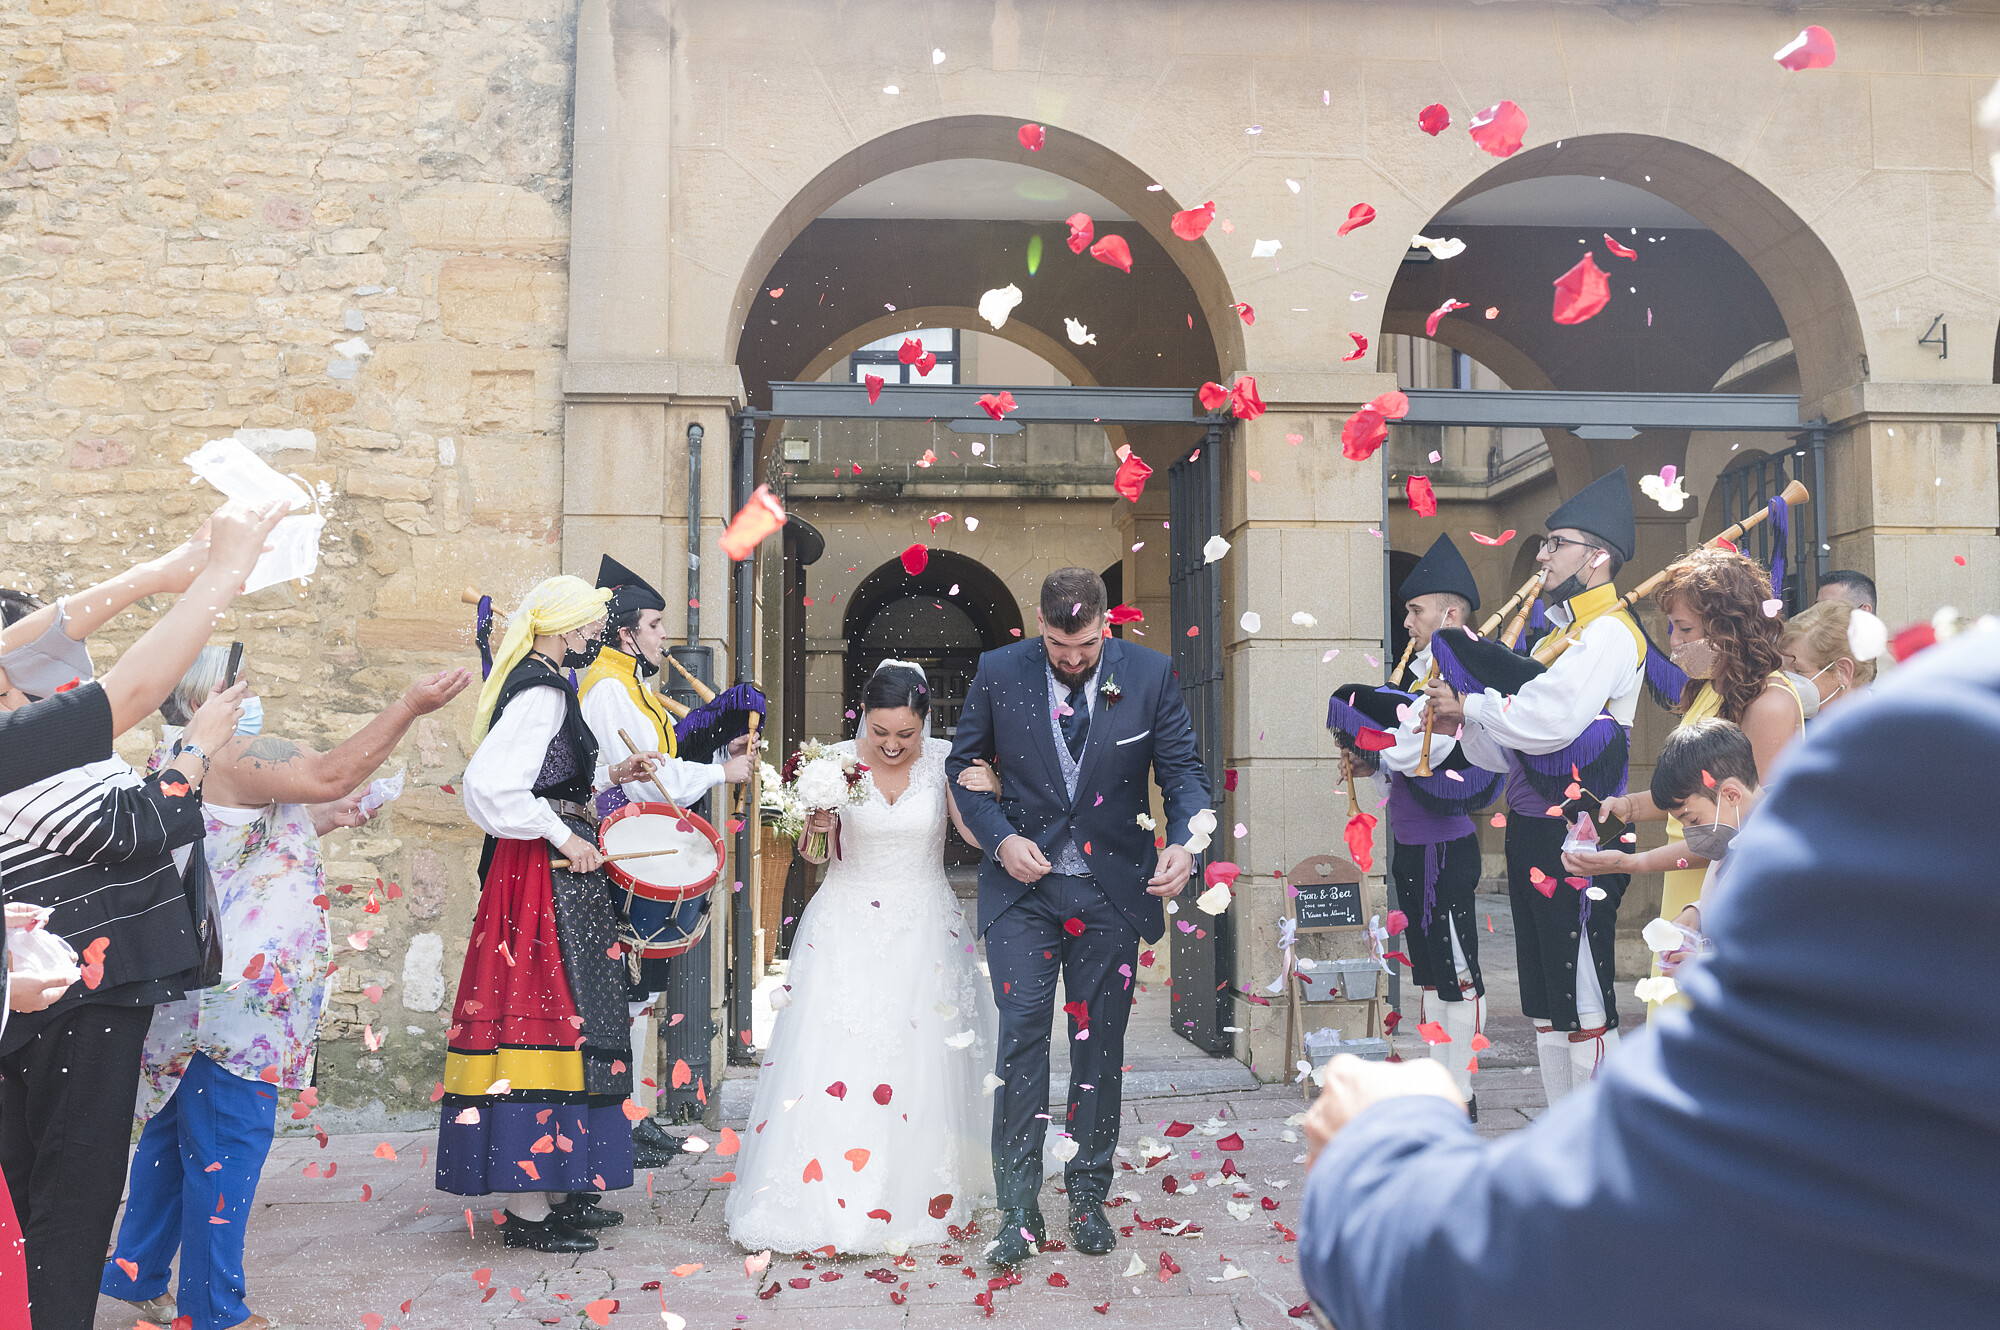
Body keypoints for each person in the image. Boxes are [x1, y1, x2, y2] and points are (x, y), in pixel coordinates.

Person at [1295, 621, 2000, 1330]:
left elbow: (1527, 1262)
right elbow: (1711, 848)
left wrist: (1376, 1141)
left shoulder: (1927, 745)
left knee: (1574, 1003)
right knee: (1546, 1004)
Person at [100, 647, 471, 1330]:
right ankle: (214, 1312)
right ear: (213, 696)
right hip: (235, 1010)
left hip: (199, 1002)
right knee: (226, 1152)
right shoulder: (234, 756)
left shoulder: (180, 757)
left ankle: (135, 1272)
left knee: (172, 1143)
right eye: (243, 684)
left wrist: (329, 818)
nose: (252, 695)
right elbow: (329, 774)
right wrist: (409, 708)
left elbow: (236, 841)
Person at [0, 499, 284, 1330]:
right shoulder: (17, 749)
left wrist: (162, 573)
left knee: (35, 1196)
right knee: (70, 1199)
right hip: (66, 1003)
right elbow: (135, 689)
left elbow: (40, 638)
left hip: (47, 994)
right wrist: (225, 571)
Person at [946, 567, 1210, 1267]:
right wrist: (999, 835)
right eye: (1060, 645)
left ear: (1105, 626)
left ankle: (1088, 1195)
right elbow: (962, 764)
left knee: (1099, 1049)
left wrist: (1185, 841)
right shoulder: (999, 671)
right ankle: (1018, 1207)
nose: (1071, 658)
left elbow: (1183, 771)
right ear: (1040, 623)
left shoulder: (1151, 676)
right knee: (1022, 1041)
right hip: (1022, 896)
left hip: (1111, 894)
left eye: (1086, 646)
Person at [725, 661, 998, 1254]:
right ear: (863, 721)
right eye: (880, 733)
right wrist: (818, 822)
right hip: (846, 926)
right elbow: (814, 854)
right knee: (839, 1055)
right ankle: (829, 1194)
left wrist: (994, 796)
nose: (894, 746)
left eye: (906, 733)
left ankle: (914, 1185)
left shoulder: (944, 761)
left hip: (925, 923)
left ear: (924, 723)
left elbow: (975, 838)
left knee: (920, 1057)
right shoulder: (833, 764)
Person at [434, 575, 660, 1253]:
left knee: (575, 1018)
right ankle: (529, 1208)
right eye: (591, 624)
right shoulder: (539, 689)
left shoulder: (546, 683)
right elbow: (492, 785)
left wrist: (609, 783)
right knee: (544, 1013)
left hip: (557, 875)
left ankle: (558, 1190)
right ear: (563, 629)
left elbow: (548, 779)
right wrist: (566, 838)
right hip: (543, 878)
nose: (597, 633)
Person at [1424, 467, 1645, 1102]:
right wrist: (1461, 713)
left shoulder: (1608, 632)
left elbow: (1550, 721)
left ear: (1597, 558)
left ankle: (1597, 1143)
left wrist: (1474, 707)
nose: (1543, 554)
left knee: (1581, 987)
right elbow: (1506, 746)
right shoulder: (1561, 633)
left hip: (1579, 835)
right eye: (1546, 544)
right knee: (1547, 992)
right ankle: (1562, 1130)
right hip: (1532, 831)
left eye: (1557, 543)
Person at [1560, 546, 1803, 1012]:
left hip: (1725, 896)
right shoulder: (1714, 688)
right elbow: (1690, 793)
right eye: (1671, 627)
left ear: (1730, 628)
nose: (1671, 641)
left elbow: (1739, 833)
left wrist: (1630, 862)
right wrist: (1625, 808)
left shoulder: (1769, 704)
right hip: (1687, 890)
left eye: (1684, 628)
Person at [581, 556, 750, 1168]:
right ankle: (618, 1119)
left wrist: (715, 739)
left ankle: (633, 1113)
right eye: (654, 626)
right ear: (626, 632)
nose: (661, 638)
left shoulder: (628, 683)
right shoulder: (605, 686)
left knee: (640, 994)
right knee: (625, 993)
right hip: (620, 848)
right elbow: (649, 778)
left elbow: (661, 750)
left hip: (641, 847)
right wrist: (719, 770)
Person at [1332, 535, 1502, 1113]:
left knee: (1456, 968)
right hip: (1410, 843)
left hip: (1446, 850)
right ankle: (1439, 1082)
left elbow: (1422, 751)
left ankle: (1464, 1089)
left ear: (1448, 614)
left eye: (1415, 610)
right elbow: (1401, 764)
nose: (1407, 621)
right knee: (1429, 973)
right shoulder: (1424, 672)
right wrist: (1371, 758)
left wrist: (1378, 745)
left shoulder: (1464, 671)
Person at [1637, 719, 1763, 972]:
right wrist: (1697, 914)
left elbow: (1776, 947)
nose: (1690, 832)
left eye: (1693, 820)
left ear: (1731, 795)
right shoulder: (1737, 831)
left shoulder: (1779, 850)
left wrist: (1704, 966)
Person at [1779, 598, 1875, 717]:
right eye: (1783, 670)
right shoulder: (1787, 723)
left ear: (1843, 672)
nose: (1784, 681)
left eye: (1798, 671)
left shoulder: (1891, 727)